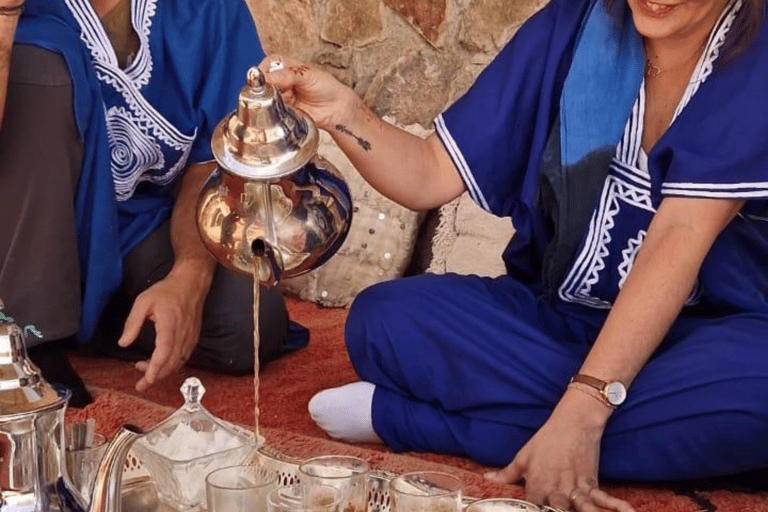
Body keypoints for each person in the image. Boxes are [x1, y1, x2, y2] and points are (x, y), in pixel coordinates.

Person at [259, 0, 768, 510]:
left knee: (758, 389)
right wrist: (344, 112)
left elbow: (678, 235)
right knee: (384, 320)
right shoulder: (572, 27)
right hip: (558, 326)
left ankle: (418, 422)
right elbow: (431, 172)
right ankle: (619, 434)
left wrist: (587, 404)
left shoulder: (756, 54)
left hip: (703, 341)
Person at [0, 0, 308, 406]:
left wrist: (187, 278)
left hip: (128, 229)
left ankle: (92, 314)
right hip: (18, 226)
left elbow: (212, 163)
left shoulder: (208, 10)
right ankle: (30, 336)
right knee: (39, 59)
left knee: (248, 324)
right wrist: (6, 23)